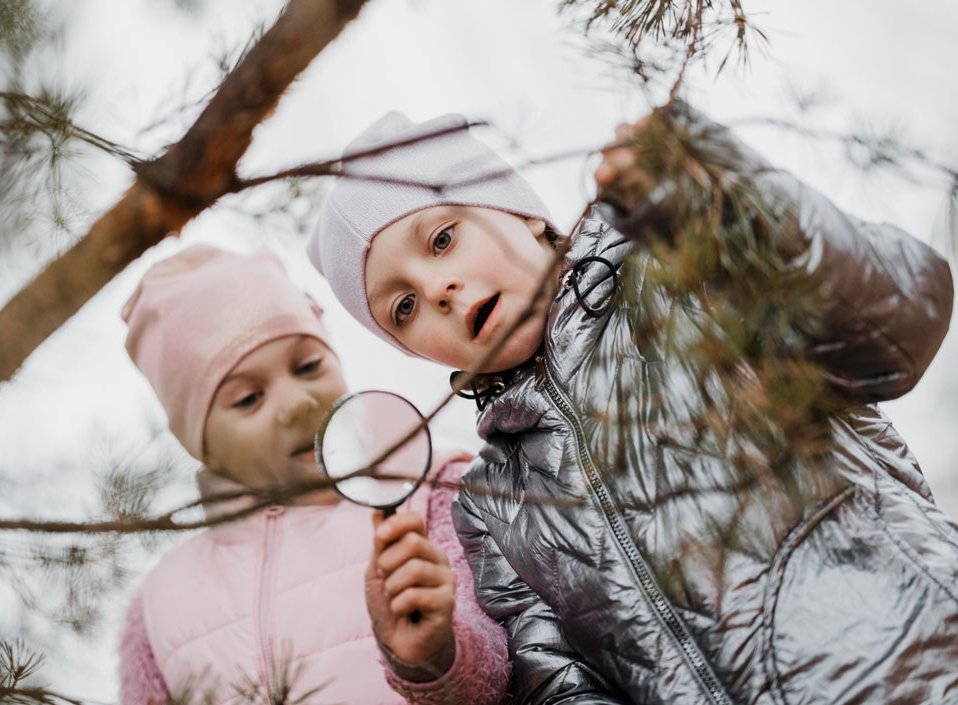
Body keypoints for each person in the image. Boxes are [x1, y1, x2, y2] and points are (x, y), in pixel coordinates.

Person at [307, 104, 958, 704]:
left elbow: (901, 323)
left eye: (442, 238)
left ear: (523, 212)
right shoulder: (490, 511)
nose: (437, 288)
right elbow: (560, 686)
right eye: (403, 307)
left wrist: (727, 191)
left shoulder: (681, 275)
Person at [116, 245, 510, 705]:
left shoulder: (438, 493)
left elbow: (512, 674)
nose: (298, 404)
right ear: (198, 441)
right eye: (248, 399)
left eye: (307, 366)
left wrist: (436, 656)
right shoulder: (160, 607)